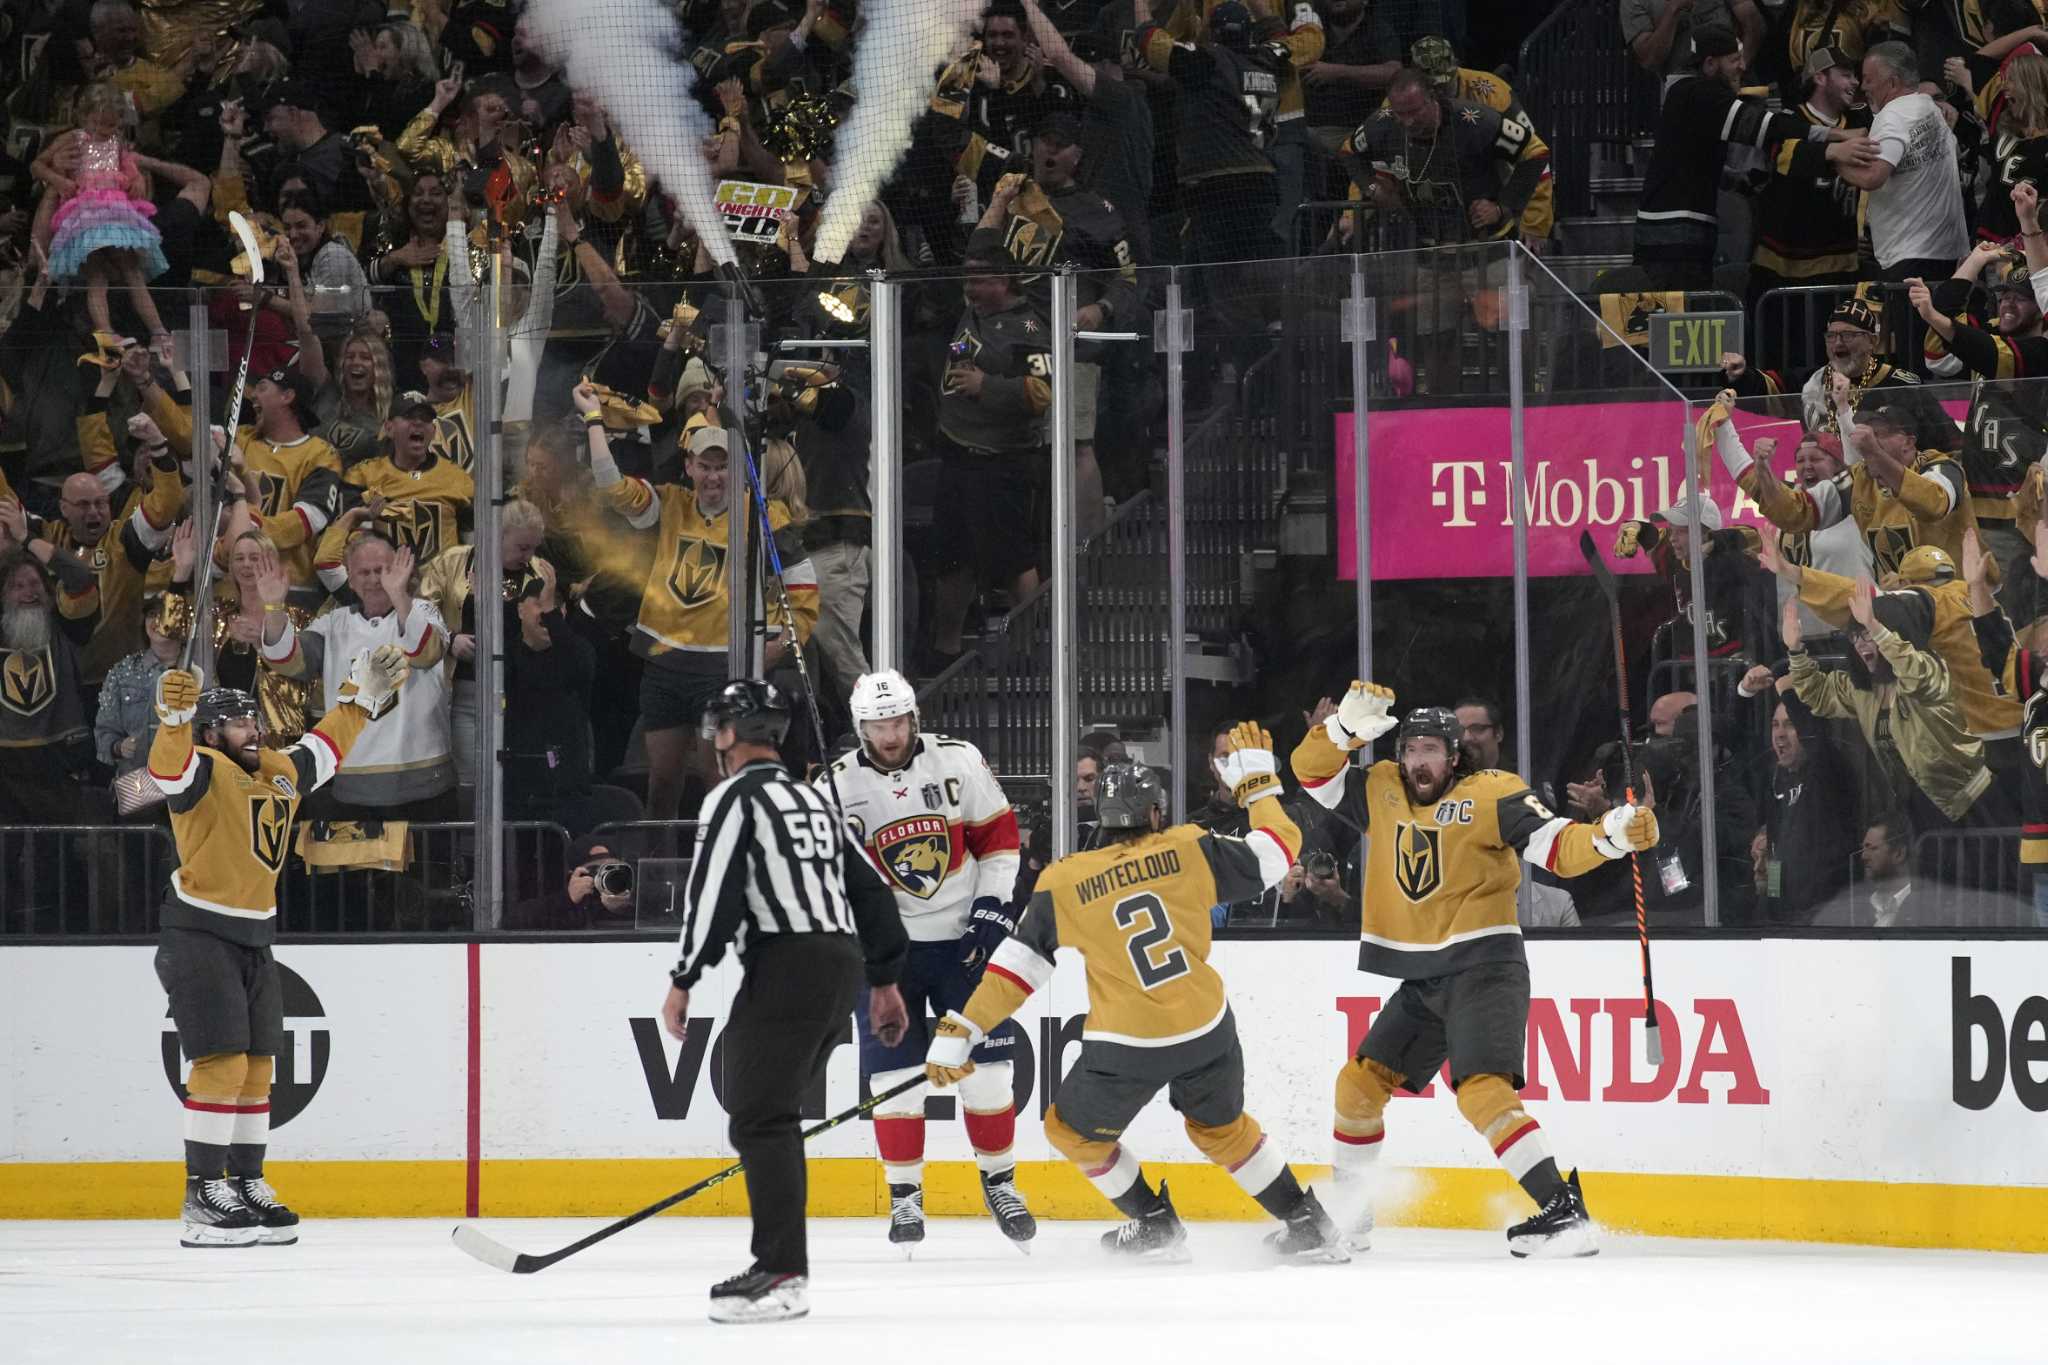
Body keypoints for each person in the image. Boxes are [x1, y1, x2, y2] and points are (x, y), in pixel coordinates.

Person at [924, 737, 1351, 1264]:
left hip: (1127, 1044)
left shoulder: (1066, 881)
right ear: (1155, 812)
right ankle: (1306, 1222)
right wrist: (1258, 787)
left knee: (1068, 1130)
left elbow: (1019, 969)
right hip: (1207, 1027)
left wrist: (963, 1029)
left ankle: (1154, 1225)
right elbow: (1277, 850)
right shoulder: (1190, 847)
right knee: (1222, 1130)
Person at [1290, 687, 1659, 1256]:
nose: (1417, 761)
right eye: (1410, 748)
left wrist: (1610, 837)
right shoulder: (1382, 787)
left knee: (1481, 1091)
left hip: (1486, 965)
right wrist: (1340, 730)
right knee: (1358, 1087)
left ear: (1455, 755)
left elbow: (1558, 847)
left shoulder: (1494, 792)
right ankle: (1350, 1213)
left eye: (1430, 749)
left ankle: (1562, 1211)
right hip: (1426, 977)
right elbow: (1310, 777)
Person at [657, 680, 909, 1323]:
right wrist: (883, 980)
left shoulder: (732, 799)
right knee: (765, 1111)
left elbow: (711, 896)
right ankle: (779, 1262)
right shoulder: (813, 799)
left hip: (788, 965)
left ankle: (781, 1272)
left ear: (728, 736)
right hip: (838, 965)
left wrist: (685, 975)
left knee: (760, 1116)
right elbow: (873, 892)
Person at [149, 643, 405, 1246]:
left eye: (251, 719)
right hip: (198, 932)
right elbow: (168, 770)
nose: (250, 728)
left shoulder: (276, 770)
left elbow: (324, 747)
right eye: (237, 721)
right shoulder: (204, 769)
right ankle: (201, 1196)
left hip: (255, 935)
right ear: (211, 729)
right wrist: (171, 720)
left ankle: (245, 1182)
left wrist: (361, 698)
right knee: (221, 1063)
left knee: (260, 1068)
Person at [819, 668, 1031, 1248]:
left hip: (964, 944)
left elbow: (1001, 841)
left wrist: (991, 909)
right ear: (861, 728)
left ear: (915, 719)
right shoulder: (833, 787)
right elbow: (820, 879)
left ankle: (1001, 1182)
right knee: (897, 1082)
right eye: (877, 725)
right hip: (888, 957)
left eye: (898, 721)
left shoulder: (958, 762)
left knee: (988, 1075)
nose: (890, 735)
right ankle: (906, 1198)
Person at [580, 387, 819, 817]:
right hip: (665, 663)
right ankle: (661, 867)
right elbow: (613, 488)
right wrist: (594, 420)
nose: (713, 476)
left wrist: (784, 642)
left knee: (719, 781)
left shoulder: (762, 515)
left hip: (723, 667)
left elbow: (802, 588)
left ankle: (721, 865)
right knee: (664, 779)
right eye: (705, 466)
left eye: (723, 467)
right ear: (689, 466)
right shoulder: (670, 503)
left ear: (740, 471)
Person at [1632, 27, 1872, 291]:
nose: (1743, 66)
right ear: (1710, 64)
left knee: (1684, 311)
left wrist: (1746, 182)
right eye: (1735, 59)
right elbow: (1763, 126)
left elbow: (1701, 167)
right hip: (1673, 237)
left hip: (1679, 233)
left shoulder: (1690, 94)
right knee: (1674, 317)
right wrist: (1834, 140)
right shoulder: (1699, 92)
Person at [259, 532, 456, 819]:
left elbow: (426, 652)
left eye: (383, 570)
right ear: (350, 579)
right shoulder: (333, 623)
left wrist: (400, 595)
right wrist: (274, 607)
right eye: (364, 572)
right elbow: (288, 661)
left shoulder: (425, 612)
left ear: (401, 571)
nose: (375, 579)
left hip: (424, 786)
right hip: (352, 792)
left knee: (428, 865)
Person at [1781, 585, 1999, 831]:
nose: (1861, 644)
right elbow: (1818, 694)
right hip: (1917, 807)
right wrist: (1796, 649)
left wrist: (1876, 627)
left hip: (1972, 802)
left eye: (1867, 635)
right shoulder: (1865, 692)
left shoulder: (1930, 669)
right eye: (1855, 636)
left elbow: (1915, 673)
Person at [925, 250, 1051, 672]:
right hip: (958, 456)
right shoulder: (970, 312)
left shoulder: (1029, 328)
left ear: (1006, 280)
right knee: (951, 559)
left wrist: (987, 386)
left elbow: (1042, 394)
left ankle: (1030, 652)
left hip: (1004, 462)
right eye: (967, 280)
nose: (969, 289)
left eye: (980, 281)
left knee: (1015, 559)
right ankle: (945, 651)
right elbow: (983, 236)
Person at [1707, 384, 1976, 581]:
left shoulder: (1943, 467)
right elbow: (1793, 513)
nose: (1867, 438)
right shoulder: (1859, 480)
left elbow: (1932, 504)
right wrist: (1727, 435)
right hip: (1899, 617)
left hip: (1962, 608)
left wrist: (1874, 453)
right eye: (1866, 431)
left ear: (1908, 442)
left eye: (1879, 433)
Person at [137, 364, 344, 605]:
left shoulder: (320, 453)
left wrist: (244, 530)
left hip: (289, 585)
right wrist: (147, 382)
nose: (253, 395)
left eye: (263, 388)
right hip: (228, 581)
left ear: (287, 397)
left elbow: (308, 519)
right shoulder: (238, 438)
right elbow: (187, 435)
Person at [1911, 247, 2048, 606]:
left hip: (2033, 507)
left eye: (2022, 298)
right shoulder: (1986, 340)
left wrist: (1938, 317)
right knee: (1989, 609)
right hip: (1982, 507)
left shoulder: (2036, 351)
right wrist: (1974, 262)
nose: (2007, 304)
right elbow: (1937, 351)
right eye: (2004, 296)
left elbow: (1970, 343)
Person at [33, 81, 174, 361]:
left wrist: (135, 180)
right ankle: (106, 333)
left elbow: (129, 167)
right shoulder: (74, 139)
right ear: (84, 117)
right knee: (96, 275)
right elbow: (37, 165)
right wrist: (59, 180)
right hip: (85, 214)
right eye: (98, 124)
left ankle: (158, 331)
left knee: (131, 269)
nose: (104, 131)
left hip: (116, 213)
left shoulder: (117, 141)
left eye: (111, 125)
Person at [1835, 42, 1969, 285]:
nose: (1863, 86)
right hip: (1947, 251)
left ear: (1893, 82)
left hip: (1909, 255)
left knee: (1905, 323)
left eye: (1868, 79)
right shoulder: (1929, 108)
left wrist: (1834, 157)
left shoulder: (1893, 115)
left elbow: (1872, 177)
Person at [95, 595, 185, 778]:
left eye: (166, 612)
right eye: (152, 613)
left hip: (192, 784)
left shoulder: (203, 667)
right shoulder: (122, 672)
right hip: (140, 786)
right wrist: (119, 747)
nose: (159, 620)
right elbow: (103, 734)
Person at [506, 834, 635, 930]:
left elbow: (652, 917)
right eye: (595, 869)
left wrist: (625, 908)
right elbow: (512, 921)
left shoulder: (631, 898)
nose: (604, 876)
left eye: (610, 868)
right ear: (574, 875)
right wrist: (567, 900)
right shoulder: (566, 906)